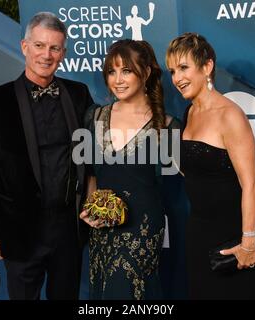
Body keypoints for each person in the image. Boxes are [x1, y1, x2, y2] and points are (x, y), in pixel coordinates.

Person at [0, 12, 94, 300]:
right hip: (20, 231)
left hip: (67, 228)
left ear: (63, 53)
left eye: (54, 48)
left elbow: (91, 154)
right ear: (25, 46)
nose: (46, 55)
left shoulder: (79, 94)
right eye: (39, 46)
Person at [165, 32, 255, 299]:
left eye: (184, 67)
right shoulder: (190, 112)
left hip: (233, 235)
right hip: (199, 232)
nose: (177, 78)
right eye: (172, 71)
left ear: (207, 66)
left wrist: (248, 240)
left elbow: (251, 184)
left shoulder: (230, 115)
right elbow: (196, 169)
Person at [79, 39, 180, 300]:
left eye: (126, 71)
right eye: (112, 71)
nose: (118, 80)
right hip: (102, 228)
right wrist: (91, 208)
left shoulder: (167, 126)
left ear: (145, 73)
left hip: (142, 230)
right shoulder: (95, 116)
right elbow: (90, 172)